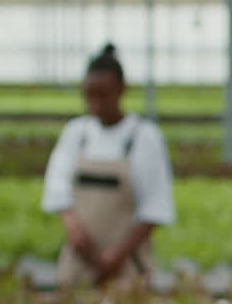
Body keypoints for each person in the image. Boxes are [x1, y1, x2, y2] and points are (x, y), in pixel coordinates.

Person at [41, 44, 175, 286]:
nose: (95, 104)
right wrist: (75, 231)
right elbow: (57, 190)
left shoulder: (143, 137)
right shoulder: (76, 133)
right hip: (79, 262)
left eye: (103, 95)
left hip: (127, 264)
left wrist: (116, 256)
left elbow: (155, 206)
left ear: (122, 90)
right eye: (89, 95)